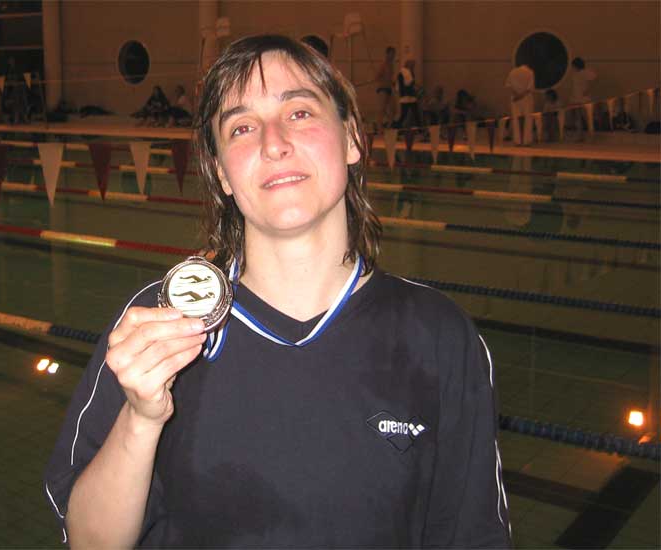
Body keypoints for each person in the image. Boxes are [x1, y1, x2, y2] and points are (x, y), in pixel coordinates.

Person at [44, 34, 511, 549]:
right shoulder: (158, 324)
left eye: (300, 113)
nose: (273, 143)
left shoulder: (437, 334)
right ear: (221, 172)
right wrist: (140, 417)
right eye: (241, 127)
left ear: (352, 138)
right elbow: (89, 541)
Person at [505, 63, 535, 145]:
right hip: (526, 98)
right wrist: (521, 96)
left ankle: (517, 140)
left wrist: (517, 95)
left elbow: (509, 85)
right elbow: (529, 88)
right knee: (528, 119)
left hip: (515, 98)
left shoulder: (512, 72)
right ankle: (527, 140)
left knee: (515, 119)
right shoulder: (530, 72)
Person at [568, 57, 597, 141]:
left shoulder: (585, 72)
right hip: (576, 99)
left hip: (585, 99)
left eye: (573, 66)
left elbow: (594, 79)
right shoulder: (575, 75)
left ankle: (591, 136)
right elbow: (574, 87)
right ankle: (580, 135)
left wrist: (588, 89)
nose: (572, 68)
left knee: (587, 118)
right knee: (578, 118)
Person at [394, 57, 421, 129]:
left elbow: (399, 86)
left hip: (406, 97)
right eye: (412, 64)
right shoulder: (406, 72)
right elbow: (409, 83)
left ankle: (397, 127)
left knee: (407, 114)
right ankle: (396, 127)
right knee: (413, 114)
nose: (413, 66)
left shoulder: (402, 72)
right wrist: (416, 89)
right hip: (408, 96)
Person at [374, 46, 395, 129]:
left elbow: (390, 77)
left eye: (394, 54)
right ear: (387, 54)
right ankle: (379, 127)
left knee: (393, 109)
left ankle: (388, 126)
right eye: (392, 53)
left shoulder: (391, 65)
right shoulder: (383, 65)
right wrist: (383, 80)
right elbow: (377, 76)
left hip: (389, 89)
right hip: (382, 89)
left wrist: (392, 82)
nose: (393, 56)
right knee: (382, 109)